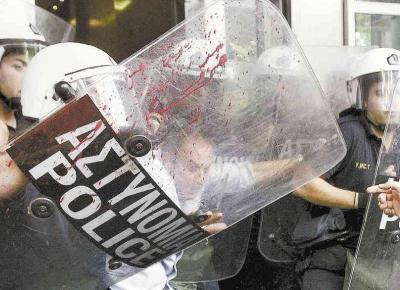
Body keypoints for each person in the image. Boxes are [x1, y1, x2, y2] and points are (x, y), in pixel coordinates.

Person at [292, 47, 400, 290]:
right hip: (333, 254)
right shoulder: (346, 132)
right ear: (362, 97)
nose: (393, 100)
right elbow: (302, 182)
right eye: (382, 93)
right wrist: (360, 200)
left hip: (382, 256)